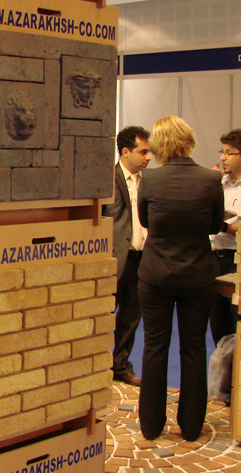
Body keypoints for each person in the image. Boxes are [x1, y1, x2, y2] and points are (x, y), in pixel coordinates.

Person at [136, 116, 223, 442]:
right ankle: (191, 426)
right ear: (188, 140)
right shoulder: (211, 179)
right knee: (194, 347)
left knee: (154, 346)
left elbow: (146, 220)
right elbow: (215, 226)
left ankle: (151, 424)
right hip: (197, 275)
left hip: (155, 274)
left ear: (159, 145)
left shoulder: (150, 179)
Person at [103, 126, 151, 386]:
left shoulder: (150, 181)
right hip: (113, 260)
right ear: (125, 152)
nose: (148, 157)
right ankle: (96, 366)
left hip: (142, 260)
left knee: (131, 318)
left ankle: (120, 366)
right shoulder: (107, 179)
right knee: (103, 315)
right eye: (143, 152)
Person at [210, 129, 241, 346]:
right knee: (218, 325)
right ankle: (222, 366)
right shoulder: (217, 184)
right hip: (213, 260)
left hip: (237, 261)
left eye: (230, 153)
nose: (223, 158)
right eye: (222, 152)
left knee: (239, 321)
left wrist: (222, 225)